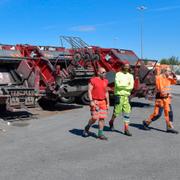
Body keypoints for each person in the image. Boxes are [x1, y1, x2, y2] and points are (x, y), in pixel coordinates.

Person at [142, 67, 178, 134]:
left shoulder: (168, 78)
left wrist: (174, 75)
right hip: (160, 99)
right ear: (164, 71)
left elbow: (174, 82)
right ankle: (146, 122)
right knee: (157, 114)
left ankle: (169, 127)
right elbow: (161, 89)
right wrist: (168, 94)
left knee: (170, 114)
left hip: (167, 99)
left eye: (170, 71)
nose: (170, 72)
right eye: (169, 71)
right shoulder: (159, 78)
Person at [82, 67, 109, 140]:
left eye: (105, 72)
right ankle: (87, 127)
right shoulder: (93, 80)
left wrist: (108, 103)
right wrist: (91, 101)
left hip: (103, 101)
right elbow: (89, 91)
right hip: (95, 101)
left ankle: (100, 134)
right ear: (98, 73)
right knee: (94, 118)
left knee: (102, 118)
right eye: (103, 72)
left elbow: (106, 92)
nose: (105, 73)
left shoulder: (106, 81)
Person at [109, 62, 134, 136]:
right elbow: (118, 85)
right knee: (116, 112)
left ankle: (126, 129)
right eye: (125, 66)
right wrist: (127, 86)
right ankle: (111, 121)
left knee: (127, 112)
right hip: (119, 96)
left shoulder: (130, 76)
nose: (126, 67)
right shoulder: (118, 74)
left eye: (128, 66)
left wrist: (124, 86)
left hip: (127, 97)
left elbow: (131, 86)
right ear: (122, 67)